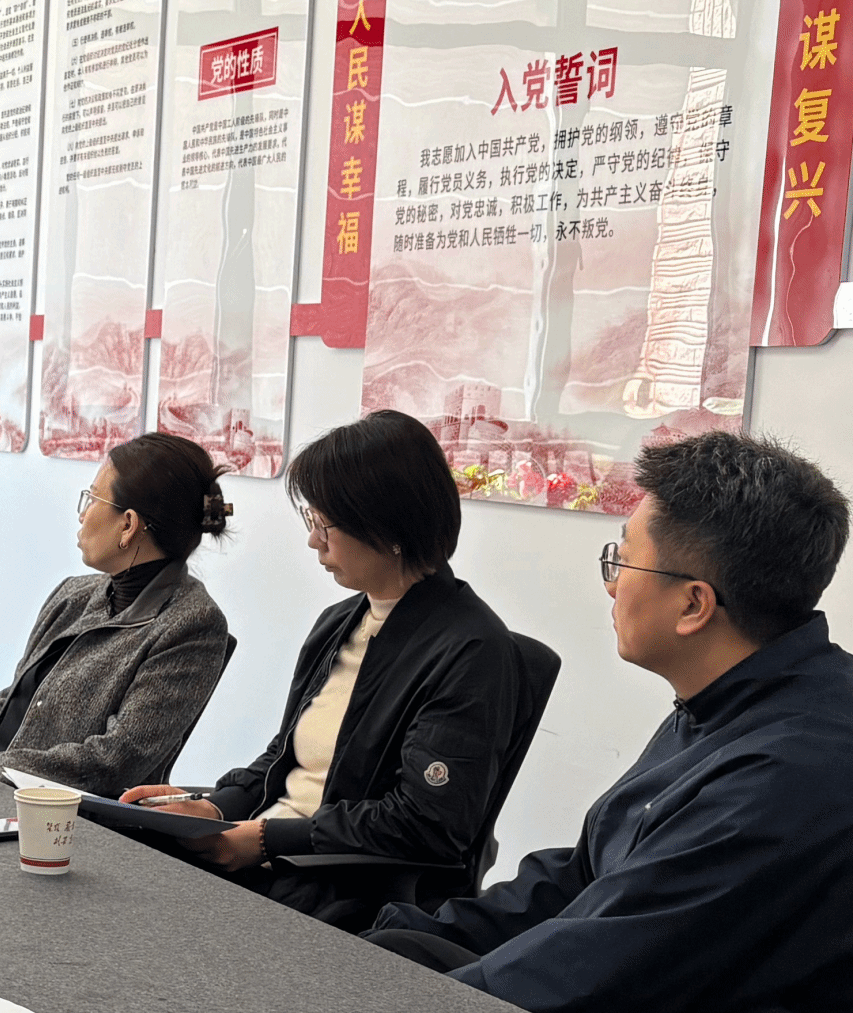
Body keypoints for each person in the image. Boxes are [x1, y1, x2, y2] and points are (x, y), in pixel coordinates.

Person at [365, 432, 853, 1012]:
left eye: (623, 559)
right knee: (392, 950)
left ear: (693, 605)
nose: (611, 583)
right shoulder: (729, 696)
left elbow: (591, 974)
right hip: (602, 966)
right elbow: (585, 876)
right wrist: (394, 941)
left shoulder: (785, 774)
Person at [120, 410, 527, 929]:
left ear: (386, 526)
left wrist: (264, 838)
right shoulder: (339, 622)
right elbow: (285, 756)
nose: (314, 541)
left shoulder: (473, 651)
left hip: (343, 888)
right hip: (274, 857)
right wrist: (216, 807)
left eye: (323, 525)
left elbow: (424, 822)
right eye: (311, 522)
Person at [0, 433, 233, 797]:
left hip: (47, 808)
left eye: (93, 498)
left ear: (128, 524)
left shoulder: (192, 625)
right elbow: (11, 704)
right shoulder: (73, 594)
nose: (82, 514)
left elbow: (113, 761)